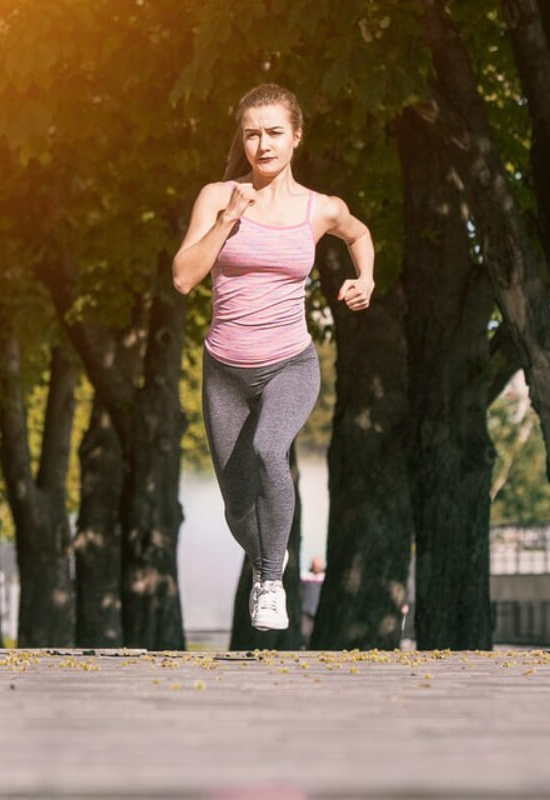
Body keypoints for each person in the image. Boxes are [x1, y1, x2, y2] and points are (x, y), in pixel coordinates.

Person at [172, 83, 374, 631]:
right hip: (226, 372)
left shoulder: (320, 208)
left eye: (274, 132)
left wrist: (367, 279)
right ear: (243, 138)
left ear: (296, 136)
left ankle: (269, 581)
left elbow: (359, 234)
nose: (263, 144)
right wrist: (226, 221)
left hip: (290, 362)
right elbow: (184, 277)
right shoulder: (218, 197)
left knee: (269, 449)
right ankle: (267, 552)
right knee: (239, 507)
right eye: (252, 133)